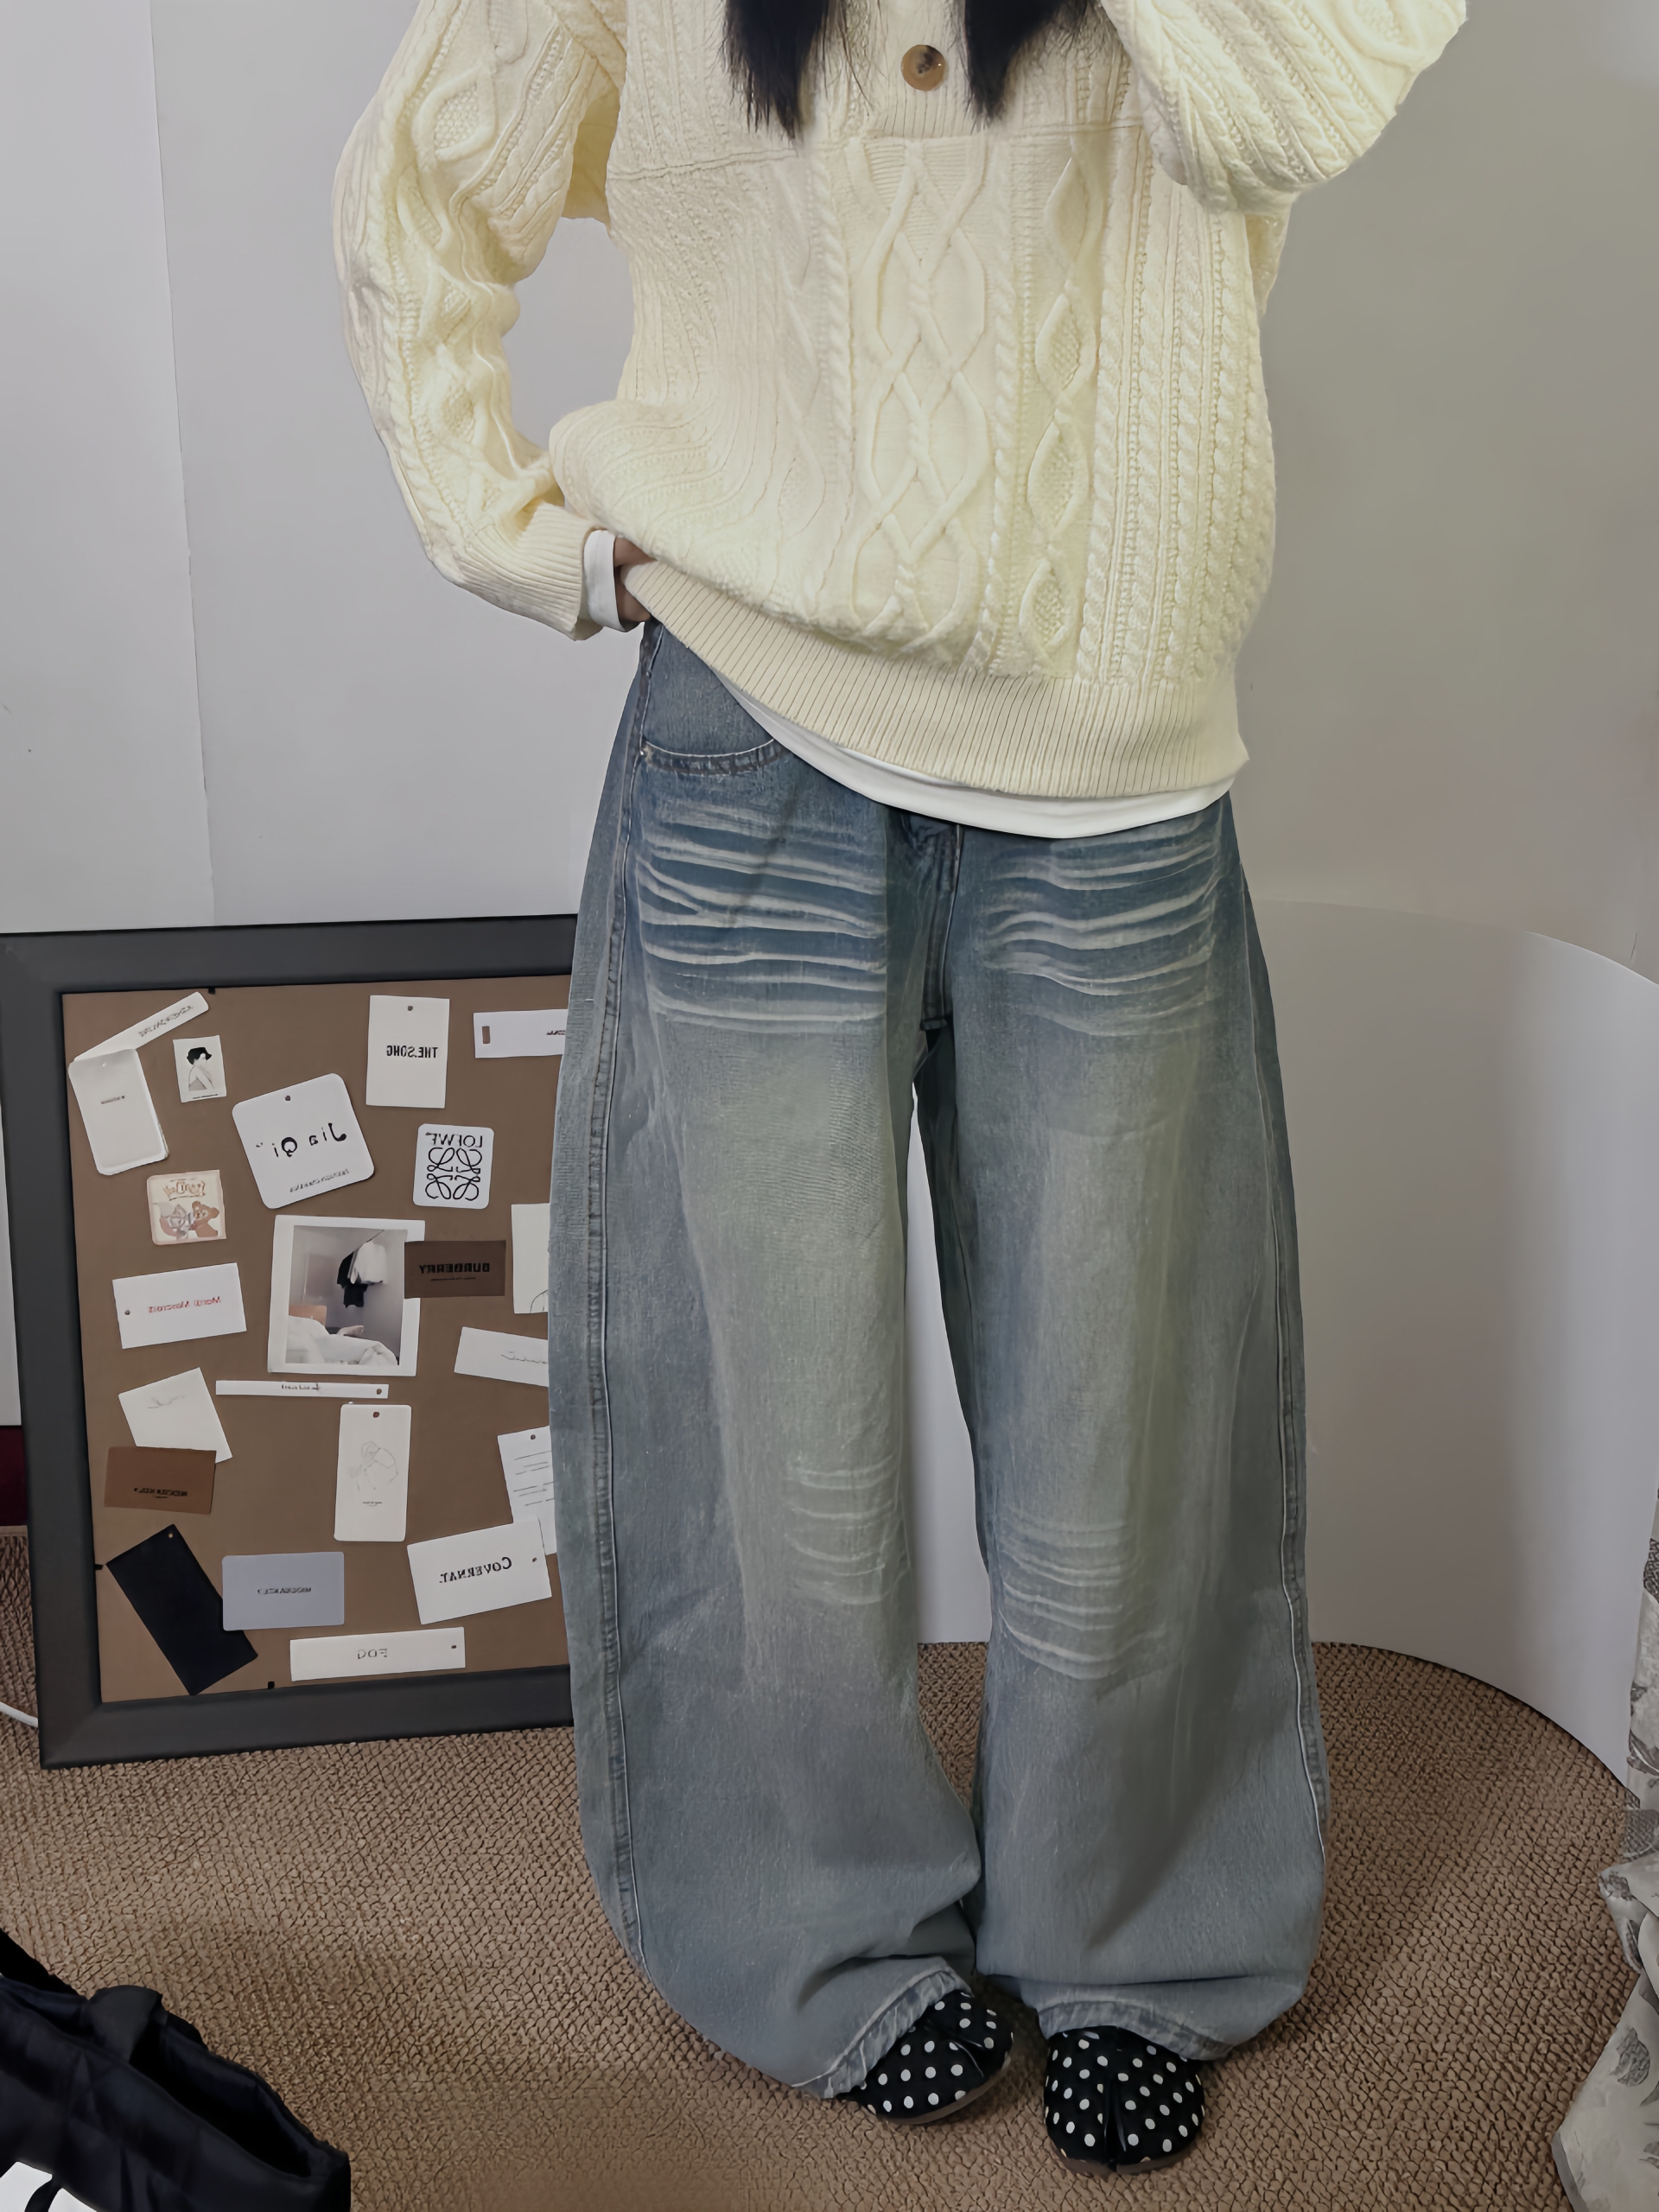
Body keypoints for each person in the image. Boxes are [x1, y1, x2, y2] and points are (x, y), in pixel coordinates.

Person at [336, 0, 1462, 2171]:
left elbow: (1283, 102)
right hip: (746, 731)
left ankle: (1134, 1934)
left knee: (1128, 1434)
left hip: (1113, 766)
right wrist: (520, 532)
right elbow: (424, 181)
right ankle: (818, 1927)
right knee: (768, 1438)